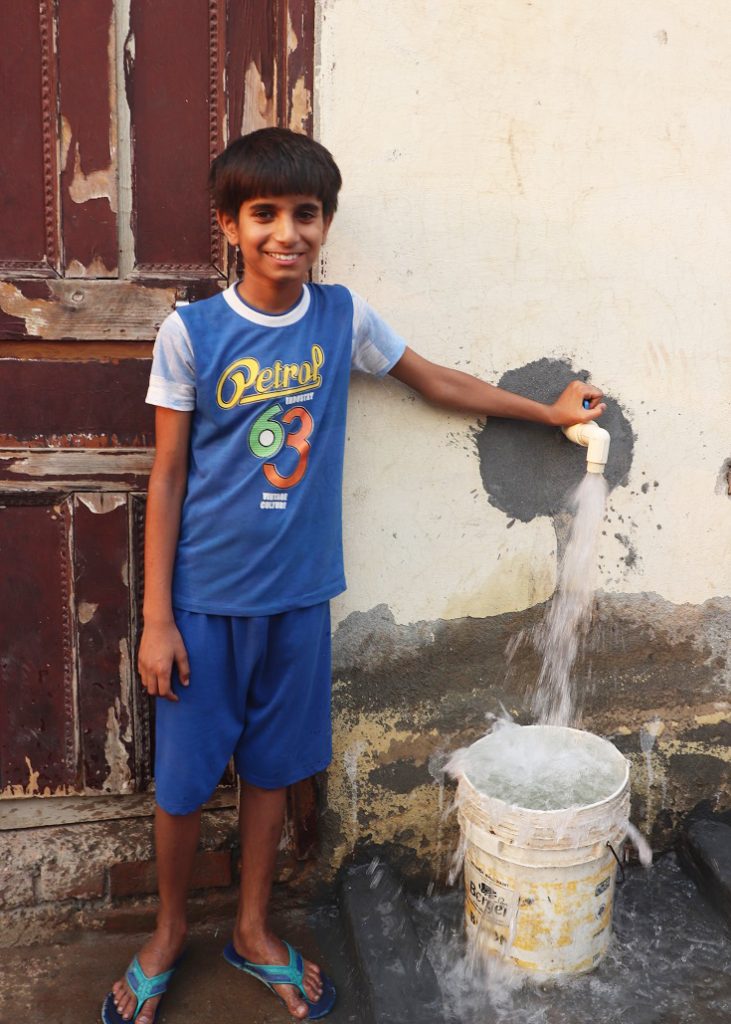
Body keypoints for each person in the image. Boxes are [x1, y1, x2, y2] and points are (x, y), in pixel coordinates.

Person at [102, 127, 605, 1024]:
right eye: (264, 214)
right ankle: (168, 931)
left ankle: (253, 930)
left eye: (305, 213)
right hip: (204, 607)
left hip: (298, 600)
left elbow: (433, 381)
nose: (285, 232)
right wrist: (156, 619)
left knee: (272, 770)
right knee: (181, 786)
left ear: (326, 223)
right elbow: (168, 473)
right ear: (229, 225)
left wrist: (546, 412)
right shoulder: (191, 334)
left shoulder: (342, 318)